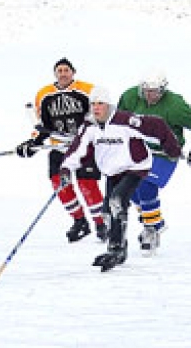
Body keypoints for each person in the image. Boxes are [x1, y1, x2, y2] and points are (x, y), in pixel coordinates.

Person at [60, 86, 181, 272]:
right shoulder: (89, 126)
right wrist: (66, 169)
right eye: (93, 104)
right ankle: (118, 248)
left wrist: (172, 149)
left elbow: (156, 125)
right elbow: (77, 149)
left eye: (100, 103)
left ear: (108, 105)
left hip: (135, 168)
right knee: (108, 211)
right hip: (112, 171)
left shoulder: (125, 120)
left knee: (118, 201)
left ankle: (116, 248)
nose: (96, 108)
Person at [116, 70, 191, 253]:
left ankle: (151, 229)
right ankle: (156, 222)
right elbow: (118, 120)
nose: (150, 95)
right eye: (147, 91)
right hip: (137, 151)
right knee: (129, 190)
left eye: (155, 92)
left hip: (164, 154)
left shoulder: (175, 105)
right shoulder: (129, 97)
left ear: (163, 90)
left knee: (145, 185)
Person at [15, 58, 107, 243]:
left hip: (84, 147)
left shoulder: (88, 90)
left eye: (66, 70)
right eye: (59, 70)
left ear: (73, 72)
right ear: (55, 73)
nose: (63, 73)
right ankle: (80, 221)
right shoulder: (44, 94)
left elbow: (101, 116)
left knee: (87, 185)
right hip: (59, 147)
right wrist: (32, 144)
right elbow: (42, 125)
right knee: (60, 185)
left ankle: (101, 223)